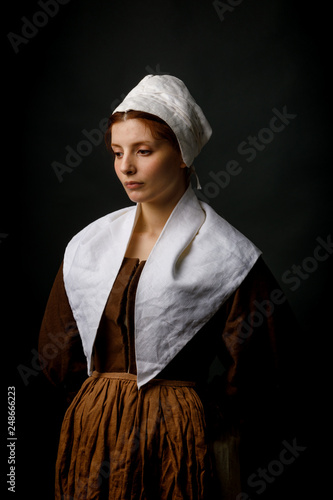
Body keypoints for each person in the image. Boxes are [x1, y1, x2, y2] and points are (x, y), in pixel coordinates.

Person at [39, 74, 298, 499]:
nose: (126, 166)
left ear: (182, 154)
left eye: (144, 151)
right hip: (93, 429)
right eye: (117, 152)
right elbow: (57, 351)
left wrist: (197, 416)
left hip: (176, 437)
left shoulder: (225, 253)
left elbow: (266, 365)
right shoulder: (89, 246)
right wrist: (94, 405)